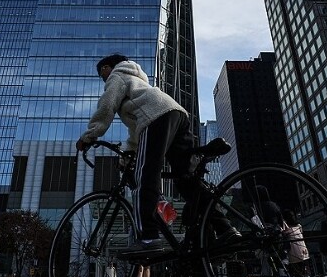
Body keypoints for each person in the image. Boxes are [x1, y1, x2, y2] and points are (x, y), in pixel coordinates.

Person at [76, 54, 238, 254]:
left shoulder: (117, 75)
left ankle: (148, 238)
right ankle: (225, 228)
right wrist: (127, 155)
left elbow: (106, 106)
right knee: (186, 180)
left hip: (158, 119)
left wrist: (89, 136)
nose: (102, 77)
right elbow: (137, 130)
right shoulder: (139, 83)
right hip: (176, 114)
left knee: (145, 175)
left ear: (107, 67)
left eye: (102, 72)